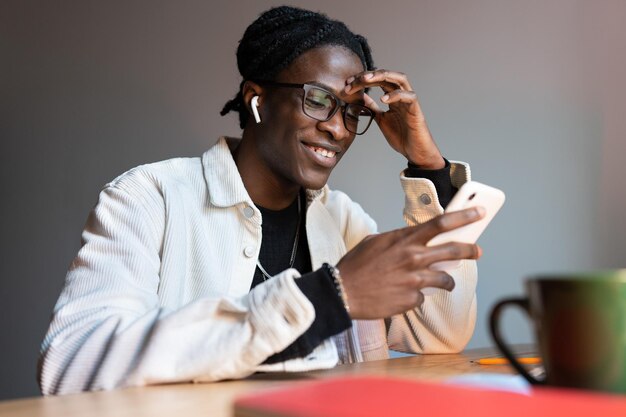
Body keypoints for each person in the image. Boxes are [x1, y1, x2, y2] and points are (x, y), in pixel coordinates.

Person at [38, 6, 484, 395]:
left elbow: (440, 333)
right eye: (318, 100)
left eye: (352, 111)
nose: (339, 128)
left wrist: (427, 167)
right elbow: (72, 363)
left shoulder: (343, 221)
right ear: (257, 100)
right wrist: (326, 297)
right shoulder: (150, 198)